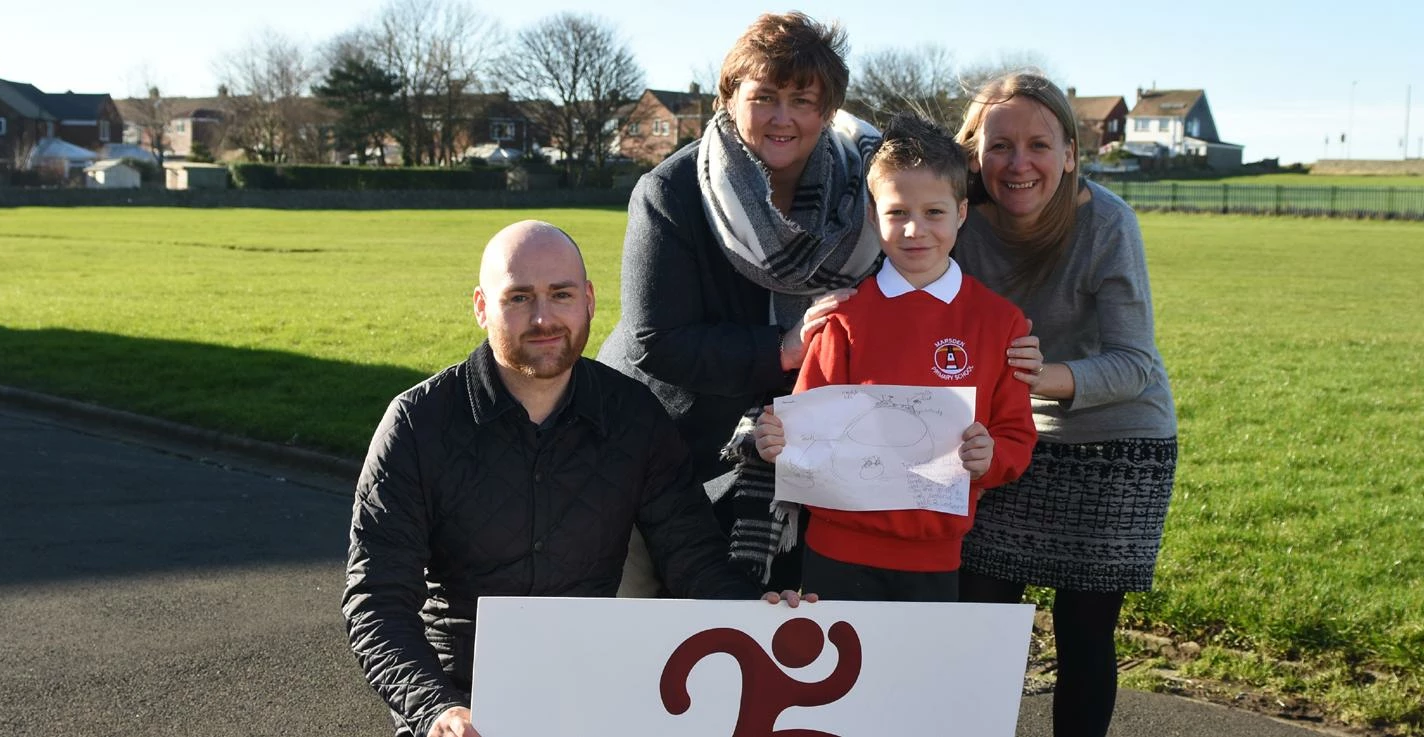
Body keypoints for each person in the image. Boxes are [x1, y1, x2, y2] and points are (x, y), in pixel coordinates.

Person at [342, 220, 810, 737]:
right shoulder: (416, 423)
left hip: (588, 694)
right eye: (518, 298)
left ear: (588, 299)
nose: (544, 318)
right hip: (460, 701)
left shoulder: (633, 417)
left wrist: (764, 616)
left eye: (560, 294)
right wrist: (435, 709)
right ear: (481, 307)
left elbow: (694, 562)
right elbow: (377, 599)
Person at [598, 12, 880, 594]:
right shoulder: (671, 192)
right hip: (673, 448)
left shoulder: (870, 195)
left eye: (803, 100)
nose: (783, 118)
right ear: (729, 98)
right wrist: (782, 349)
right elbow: (656, 340)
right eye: (765, 97)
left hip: (806, 451)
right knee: (662, 634)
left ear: (826, 110)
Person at [953, 73, 1179, 737]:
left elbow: (1136, 363)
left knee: (1083, 631)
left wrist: (1042, 376)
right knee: (983, 617)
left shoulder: (1107, 222)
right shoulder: (955, 216)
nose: (1017, 164)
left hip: (1118, 442)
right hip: (1008, 438)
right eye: (999, 146)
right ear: (975, 153)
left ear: (1071, 153)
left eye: (1038, 145)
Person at [751, 113, 1038, 602]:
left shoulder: (999, 323)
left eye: (934, 213)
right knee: (837, 678)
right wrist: (774, 438)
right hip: (835, 555)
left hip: (936, 557)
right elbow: (801, 433)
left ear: (962, 213)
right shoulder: (842, 319)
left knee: (917, 679)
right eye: (898, 212)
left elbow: (1015, 434)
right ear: (872, 213)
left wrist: (992, 458)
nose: (914, 230)